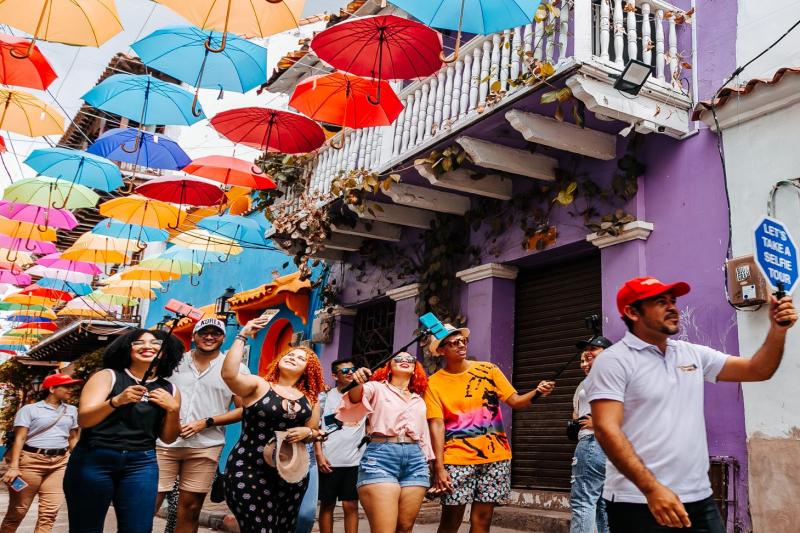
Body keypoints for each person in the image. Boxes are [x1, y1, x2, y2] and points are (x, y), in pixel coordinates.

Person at [586, 277, 797, 533]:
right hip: (638, 501)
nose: (672, 307)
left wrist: (777, 330)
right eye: (660, 302)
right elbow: (606, 429)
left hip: (699, 498)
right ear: (632, 312)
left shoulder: (691, 353)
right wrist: (652, 490)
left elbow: (758, 369)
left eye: (673, 301)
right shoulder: (613, 361)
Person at [425, 324, 555, 533]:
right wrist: (439, 467)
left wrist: (537, 392)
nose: (461, 345)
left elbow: (515, 401)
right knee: (451, 521)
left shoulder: (488, 370)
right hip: (457, 459)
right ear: (441, 350)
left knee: (482, 521)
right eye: (454, 343)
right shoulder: (433, 383)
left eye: (463, 341)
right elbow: (436, 424)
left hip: (495, 457)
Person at [63, 329, 183, 533]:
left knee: (139, 529)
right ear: (127, 349)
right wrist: (116, 401)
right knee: (86, 528)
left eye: (155, 342)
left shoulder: (170, 389)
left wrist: (173, 409)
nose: (147, 346)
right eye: (139, 342)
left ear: (164, 351)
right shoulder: (107, 376)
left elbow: (169, 438)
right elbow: (85, 419)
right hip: (95, 458)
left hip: (141, 463)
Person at [220, 315, 325, 533]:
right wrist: (242, 335)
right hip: (248, 467)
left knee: (283, 529)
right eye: (290, 354)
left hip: (290, 473)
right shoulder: (259, 386)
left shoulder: (310, 400)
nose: (293, 357)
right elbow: (229, 375)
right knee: (259, 528)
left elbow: (314, 432)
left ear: (308, 369)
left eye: (301, 358)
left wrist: (307, 431)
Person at [154, 317, 249, 533]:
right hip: (163, 443)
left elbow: (243, 409)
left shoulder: (235, 369)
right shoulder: (174, 362)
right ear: (194, 336)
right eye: (204, 332)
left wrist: (206, 423)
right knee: (149, 500)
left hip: (205, 445)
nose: (209, 337)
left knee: (191, 508)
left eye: (215, 333)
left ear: (223, 338)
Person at [338, 353, 433, 533]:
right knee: (384, 530)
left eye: (410, 360)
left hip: (416, 460)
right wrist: (358, 381)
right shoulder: (376, 388)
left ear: (415, 369)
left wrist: (430, 462)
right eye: (399, 358)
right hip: (381, 456)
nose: (404, 361)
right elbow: (356, 397)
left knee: (405, 528)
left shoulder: (419, 399)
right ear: (389, 366)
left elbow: (424, 434)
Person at [1, 374, 82, 533]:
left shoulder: (72, 410)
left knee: (49, 513)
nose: (71, 390)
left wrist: (78, 462)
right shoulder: (29, 410)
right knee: (18, 511)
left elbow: (73, 439)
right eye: (66, 386)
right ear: (52, 389)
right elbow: (20, 438)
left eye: (71, 386)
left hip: (60, 463)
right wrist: (14, 467)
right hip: (30, 462)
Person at [316, 358, 366, 533]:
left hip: (354, 460)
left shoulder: (364, 395)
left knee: (351, 505)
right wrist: (319, 455)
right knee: (327, 504)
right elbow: (316, 427)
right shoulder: (325, 397)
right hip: (330, 460)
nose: (350, 372)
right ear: (335, 376)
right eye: (345, 371)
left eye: (353, 369)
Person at [569, 335, 613, 533]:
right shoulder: (591, 381)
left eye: (593, 350)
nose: (586, 357)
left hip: (593, 443)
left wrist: (599, 422)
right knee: (602, 504)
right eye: (583, 357)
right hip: (604, 445)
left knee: (582, 501)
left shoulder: (608, 376)